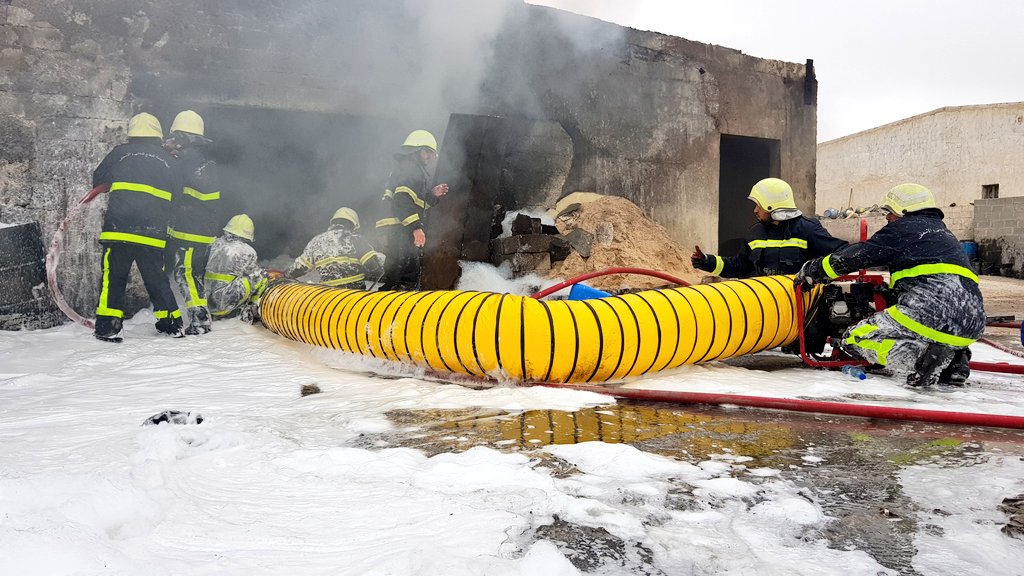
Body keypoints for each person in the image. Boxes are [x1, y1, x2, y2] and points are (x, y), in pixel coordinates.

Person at [795, 183, 986, 387]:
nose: (887, 217)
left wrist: (814, 270)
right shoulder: (943, 233)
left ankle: (923, 359)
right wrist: (892, 294)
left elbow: (856, 257)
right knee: (925, 333)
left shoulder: (902, 229)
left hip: (930, 312)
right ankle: (956, 361)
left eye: (890, 211)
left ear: (904, 211)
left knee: (855, 339)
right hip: (973, 322)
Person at [91, 112, 183, 342]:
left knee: (113, 278)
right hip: (152, 233)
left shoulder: (119, 153)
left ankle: (109, 327)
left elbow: (98, 179)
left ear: (132, 133)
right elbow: (177, 197)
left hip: (118, 229)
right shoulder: (169, 161)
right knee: (156, 279)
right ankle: (172, 324)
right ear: (157, 134)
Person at [691, 178, 848, 278]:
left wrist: (815, 274)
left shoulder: (807, 229)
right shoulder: (755, 233)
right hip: (765, 307)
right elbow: (739, 266)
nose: (755, 210)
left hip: (799, 310)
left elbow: (842, 255)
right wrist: (707, 261)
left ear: (771, 204)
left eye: (759, 205)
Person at [164, 110, 222, 335]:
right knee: (194, 274)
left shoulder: (187, 160)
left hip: (190, 230)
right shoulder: (203, 159)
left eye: (175, 138)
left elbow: (173, 186)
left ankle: (200, 321)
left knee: (184, 273)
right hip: (203, 230)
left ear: (183, 138)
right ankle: (201, 316)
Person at [375, 130, 449, 290]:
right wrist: (416, 228)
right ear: (416, 149)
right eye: (427, 152)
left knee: (403, 268)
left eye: (431, 153)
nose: (429, 157)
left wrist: (432, 195)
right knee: (404, 270)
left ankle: (395, 295)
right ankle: (394, 297)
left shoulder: (410, 169)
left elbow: (416, 202)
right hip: (399, 224)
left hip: (400, 223)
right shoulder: (410, 168)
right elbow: (402, 200)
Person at [286, 207, 384, 289]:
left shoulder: (316, 241)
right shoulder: (356, 239)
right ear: (353, 224)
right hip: (354, 294)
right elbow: (373, 266)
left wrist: (285, 275)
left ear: (333, 222)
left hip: (330, 297)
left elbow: (299, 268)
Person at [205, 214, 268, 323]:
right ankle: (252, 308)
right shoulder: (247, 251)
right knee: (260, 276)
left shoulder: (213, 244)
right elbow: (250, 272)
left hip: (206, 302)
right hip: (224, 304)